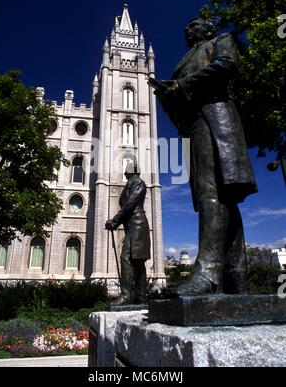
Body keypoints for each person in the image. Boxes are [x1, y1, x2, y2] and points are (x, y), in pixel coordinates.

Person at [154, 17, 258, 296]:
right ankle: (235, 279)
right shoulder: (186, 58)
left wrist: (183, 84)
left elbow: (228, 65)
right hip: (194, 125)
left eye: (194, 24)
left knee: (212, 191)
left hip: (216, 117)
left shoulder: (220, 41)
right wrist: (168, 94)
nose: (187, 28)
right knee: (219, 197)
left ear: (207, 29)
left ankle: (209, 273)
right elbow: (180, 97)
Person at [105, 162, 151, 305]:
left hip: (137, 225)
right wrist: (116, 222)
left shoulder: (138, 183)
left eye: (126, 170)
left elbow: (129, 204)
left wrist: (115, 221)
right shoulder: (131, 184)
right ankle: (140, 296)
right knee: (136, 261)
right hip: (131, 225)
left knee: (128, 258)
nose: (124, 173)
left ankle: (126, 295)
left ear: (132, 171)